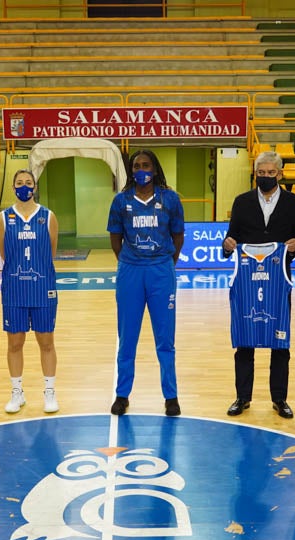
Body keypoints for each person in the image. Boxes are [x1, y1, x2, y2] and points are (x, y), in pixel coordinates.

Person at [222, 150, 295, 420]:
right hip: (248, 279)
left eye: (271, 173)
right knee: (245, 340)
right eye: (262, 173)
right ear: (255, 174)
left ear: (280, 174)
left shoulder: (293, 202)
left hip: (279, 279)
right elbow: (230, 238)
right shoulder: (242, 202)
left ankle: (279, 398)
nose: (266, 177)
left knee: (280, 341)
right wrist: (226, 247)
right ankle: (242, 397)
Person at [107, 148, 185, 417]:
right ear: (131, 171)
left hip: (161, 271)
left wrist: (164, 263)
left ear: (155, 168)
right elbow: (115, 239)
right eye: (137, 166)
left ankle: (171, 396)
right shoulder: (121, 201)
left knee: (165, 338)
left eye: (146, 165)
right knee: (127, 338)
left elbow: (178, 236)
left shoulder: (170, 199)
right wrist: (131, 261)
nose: (141, 170)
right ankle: (122, 394)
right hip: (130, 270)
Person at [0, 169, 60, 414]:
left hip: (43, 287)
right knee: (15, 342)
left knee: (46, 342)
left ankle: (50, 392)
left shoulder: (48, 216)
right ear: (13, 188)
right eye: (20, 183)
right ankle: (17, 392)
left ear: (35, 187)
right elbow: (4, 254)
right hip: (14, 288)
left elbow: (51, 252)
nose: (24, 186)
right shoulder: (3, 217)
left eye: (28, 182)